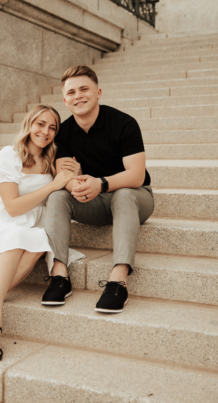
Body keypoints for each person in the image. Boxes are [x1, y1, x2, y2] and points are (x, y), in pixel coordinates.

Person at [0, 104, 84, 361]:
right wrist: (53, 186)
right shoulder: (8, 156)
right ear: (29, 124)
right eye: (40, 124)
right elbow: (12, 207)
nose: (46, 132)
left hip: (35, 220)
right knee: (15, 235)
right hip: (4, 218)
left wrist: (74, 175)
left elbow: (68, 186)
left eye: (52, 127)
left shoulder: (53, 159)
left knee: (39, 241)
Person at [41, 65, 154, 313]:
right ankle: (59, 275)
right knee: (58, 195)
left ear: (98, 92)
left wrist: (100, 183)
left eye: (84, 89)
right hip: (94, 201)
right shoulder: (64, 133)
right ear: (65, 100)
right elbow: (65, 176)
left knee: (123, 194)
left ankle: (118, 280)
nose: (78, 96)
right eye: (71, 92)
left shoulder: (124, 123)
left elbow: (136, 175)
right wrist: (77, 184)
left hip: (136, 198)